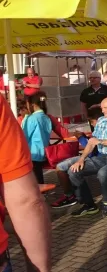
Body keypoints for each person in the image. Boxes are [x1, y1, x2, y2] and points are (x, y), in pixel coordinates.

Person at [54, 97, 107, 217]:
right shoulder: (101, 121)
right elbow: (92, 142)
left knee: (103, 172)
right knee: (74, 171)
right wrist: (81, 160)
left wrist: (101, 141)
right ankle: (88, 204)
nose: (103, 111)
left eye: (105, 108)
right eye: (102, 108)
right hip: (102, 157)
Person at [0, 95, 51, 272]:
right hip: (33, 156)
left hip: (32, 154)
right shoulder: (47, 117)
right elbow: (26, 201)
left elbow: (26, 133)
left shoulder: (29, 119)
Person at [21, 92, 52, 184]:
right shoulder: (46, 117)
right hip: (44, 151)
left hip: (33, 153)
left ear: (32, 105)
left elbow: (24, 136)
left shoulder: (32, 118)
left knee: (35, 179)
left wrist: (25, 117)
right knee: (39, 176)